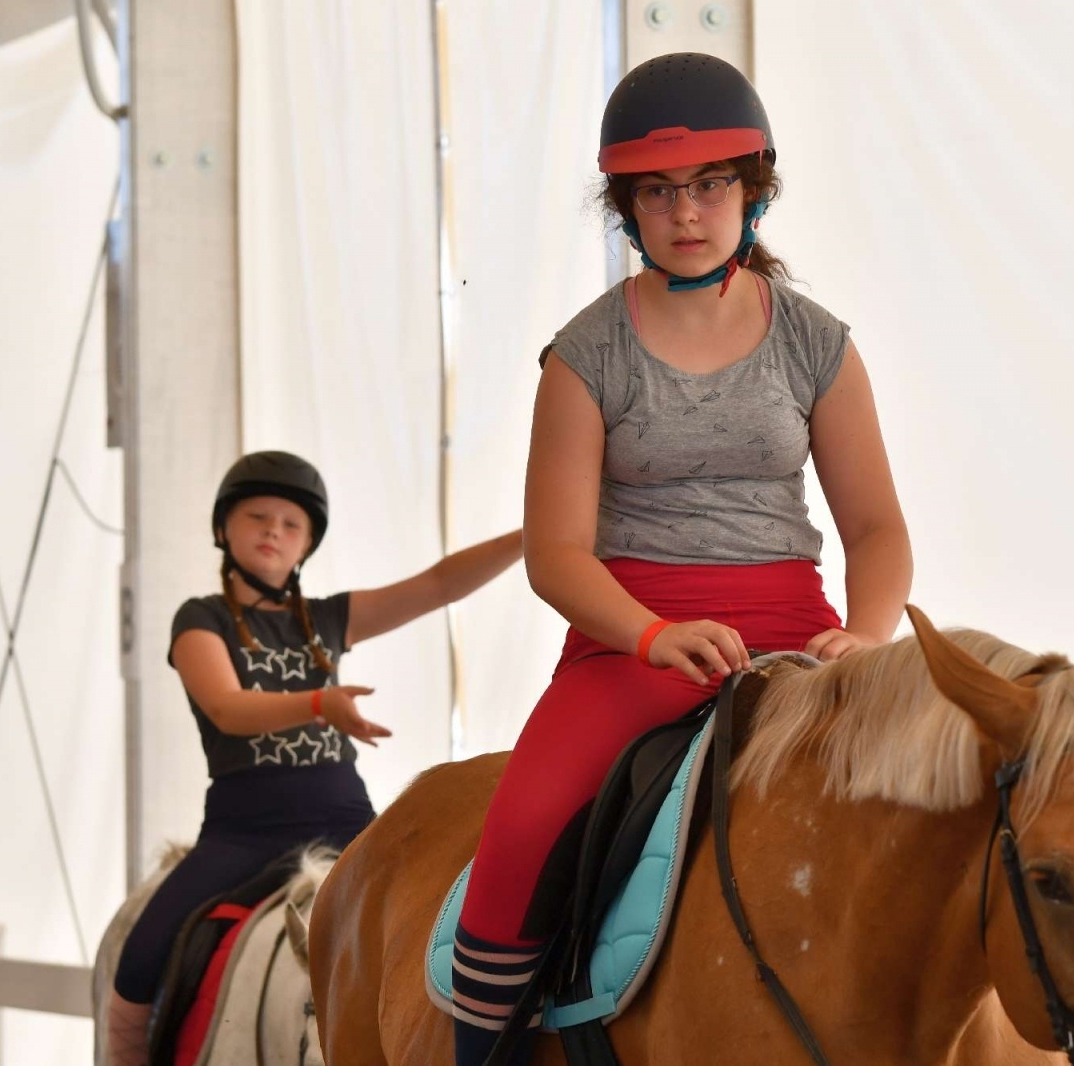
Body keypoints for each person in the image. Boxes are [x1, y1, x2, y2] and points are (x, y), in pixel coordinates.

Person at [449, 52, 913, 1064]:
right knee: (519, 834)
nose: (684, 210)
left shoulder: (814, 342)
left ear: (753, 193)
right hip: (629, 640)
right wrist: (651, 634)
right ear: (626, 209)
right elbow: (555, 554)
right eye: (657, 192)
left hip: (800, 637)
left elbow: (876, 529)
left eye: (707, 185)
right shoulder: (584, 356)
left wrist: (866, 637)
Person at [107, 450, 523, 1066]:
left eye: (291, 523)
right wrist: (320, 704)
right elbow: (225, 706)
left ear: (306, 545)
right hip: (244, 829)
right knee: (140, 957)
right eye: (257, 517)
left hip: (346, 819)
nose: (274, 530)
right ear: (224, 530)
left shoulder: (327, 618)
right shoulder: (201, 618)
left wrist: (532, 534)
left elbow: (437, 584)